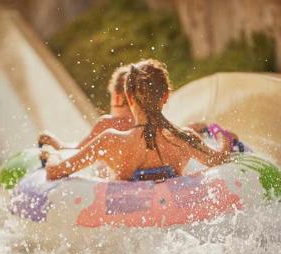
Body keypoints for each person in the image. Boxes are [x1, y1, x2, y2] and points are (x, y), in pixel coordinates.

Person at [43, 59, 232, 181]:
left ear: (129, 97)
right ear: (166, 96)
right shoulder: (185, 138)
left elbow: (55, 172)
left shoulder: (110, 140)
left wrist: (51, 154)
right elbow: (219, 159)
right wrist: (226, 139)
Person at [38, 65, 134, 150]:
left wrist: (58, 145)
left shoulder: (108, 125)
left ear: (117, 97)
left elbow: (77, 152)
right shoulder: (143, 126)